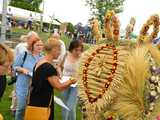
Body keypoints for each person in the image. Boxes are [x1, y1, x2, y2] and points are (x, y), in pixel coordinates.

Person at [28, 37, 76, 120]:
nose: (60, 52)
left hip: (35, 99)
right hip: (42, 103)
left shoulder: (41, 61)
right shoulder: (48, 67)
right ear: (53, 49)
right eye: (59, 50)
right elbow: (59, 87)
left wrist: (56, 72)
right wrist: (71, 81)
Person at [13, 36, 43, 120]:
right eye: (38, 45)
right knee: (21, 107)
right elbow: (14, 66)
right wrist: (22, 69)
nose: (40, 47)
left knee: (31, 108)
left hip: (34, 87)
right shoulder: (24, 54)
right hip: (22, 85)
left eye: (41, 45)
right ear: (32, 45)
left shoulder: (42, 58)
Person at [61, 40, 83, 120]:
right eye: (76, 50)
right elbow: (59, 66)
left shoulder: (83, 57)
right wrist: (60, 74)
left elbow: (85, 71)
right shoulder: (66, 54)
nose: (78, 52)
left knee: (70, 106)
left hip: (76, 84)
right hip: (65, 82)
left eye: (80, 50)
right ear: (71, 49)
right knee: (64, 105)